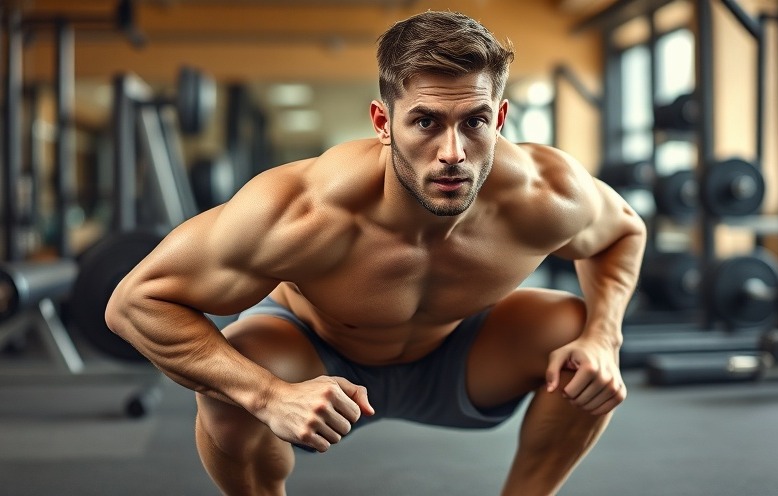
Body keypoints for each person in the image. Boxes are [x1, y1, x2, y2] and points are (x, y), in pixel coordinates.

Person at [106, 10, 646, 496]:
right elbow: (135, 302)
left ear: (500, 119)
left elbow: (624, 232)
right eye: (427, 122)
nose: (453, 153)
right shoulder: (302, 210)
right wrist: (269, 395)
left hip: (460, 356)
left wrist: (604, 336)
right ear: (384, 123)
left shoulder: (547, 193)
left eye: (474, 122)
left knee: (579, 335)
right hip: (319, 358)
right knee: (233, 382)